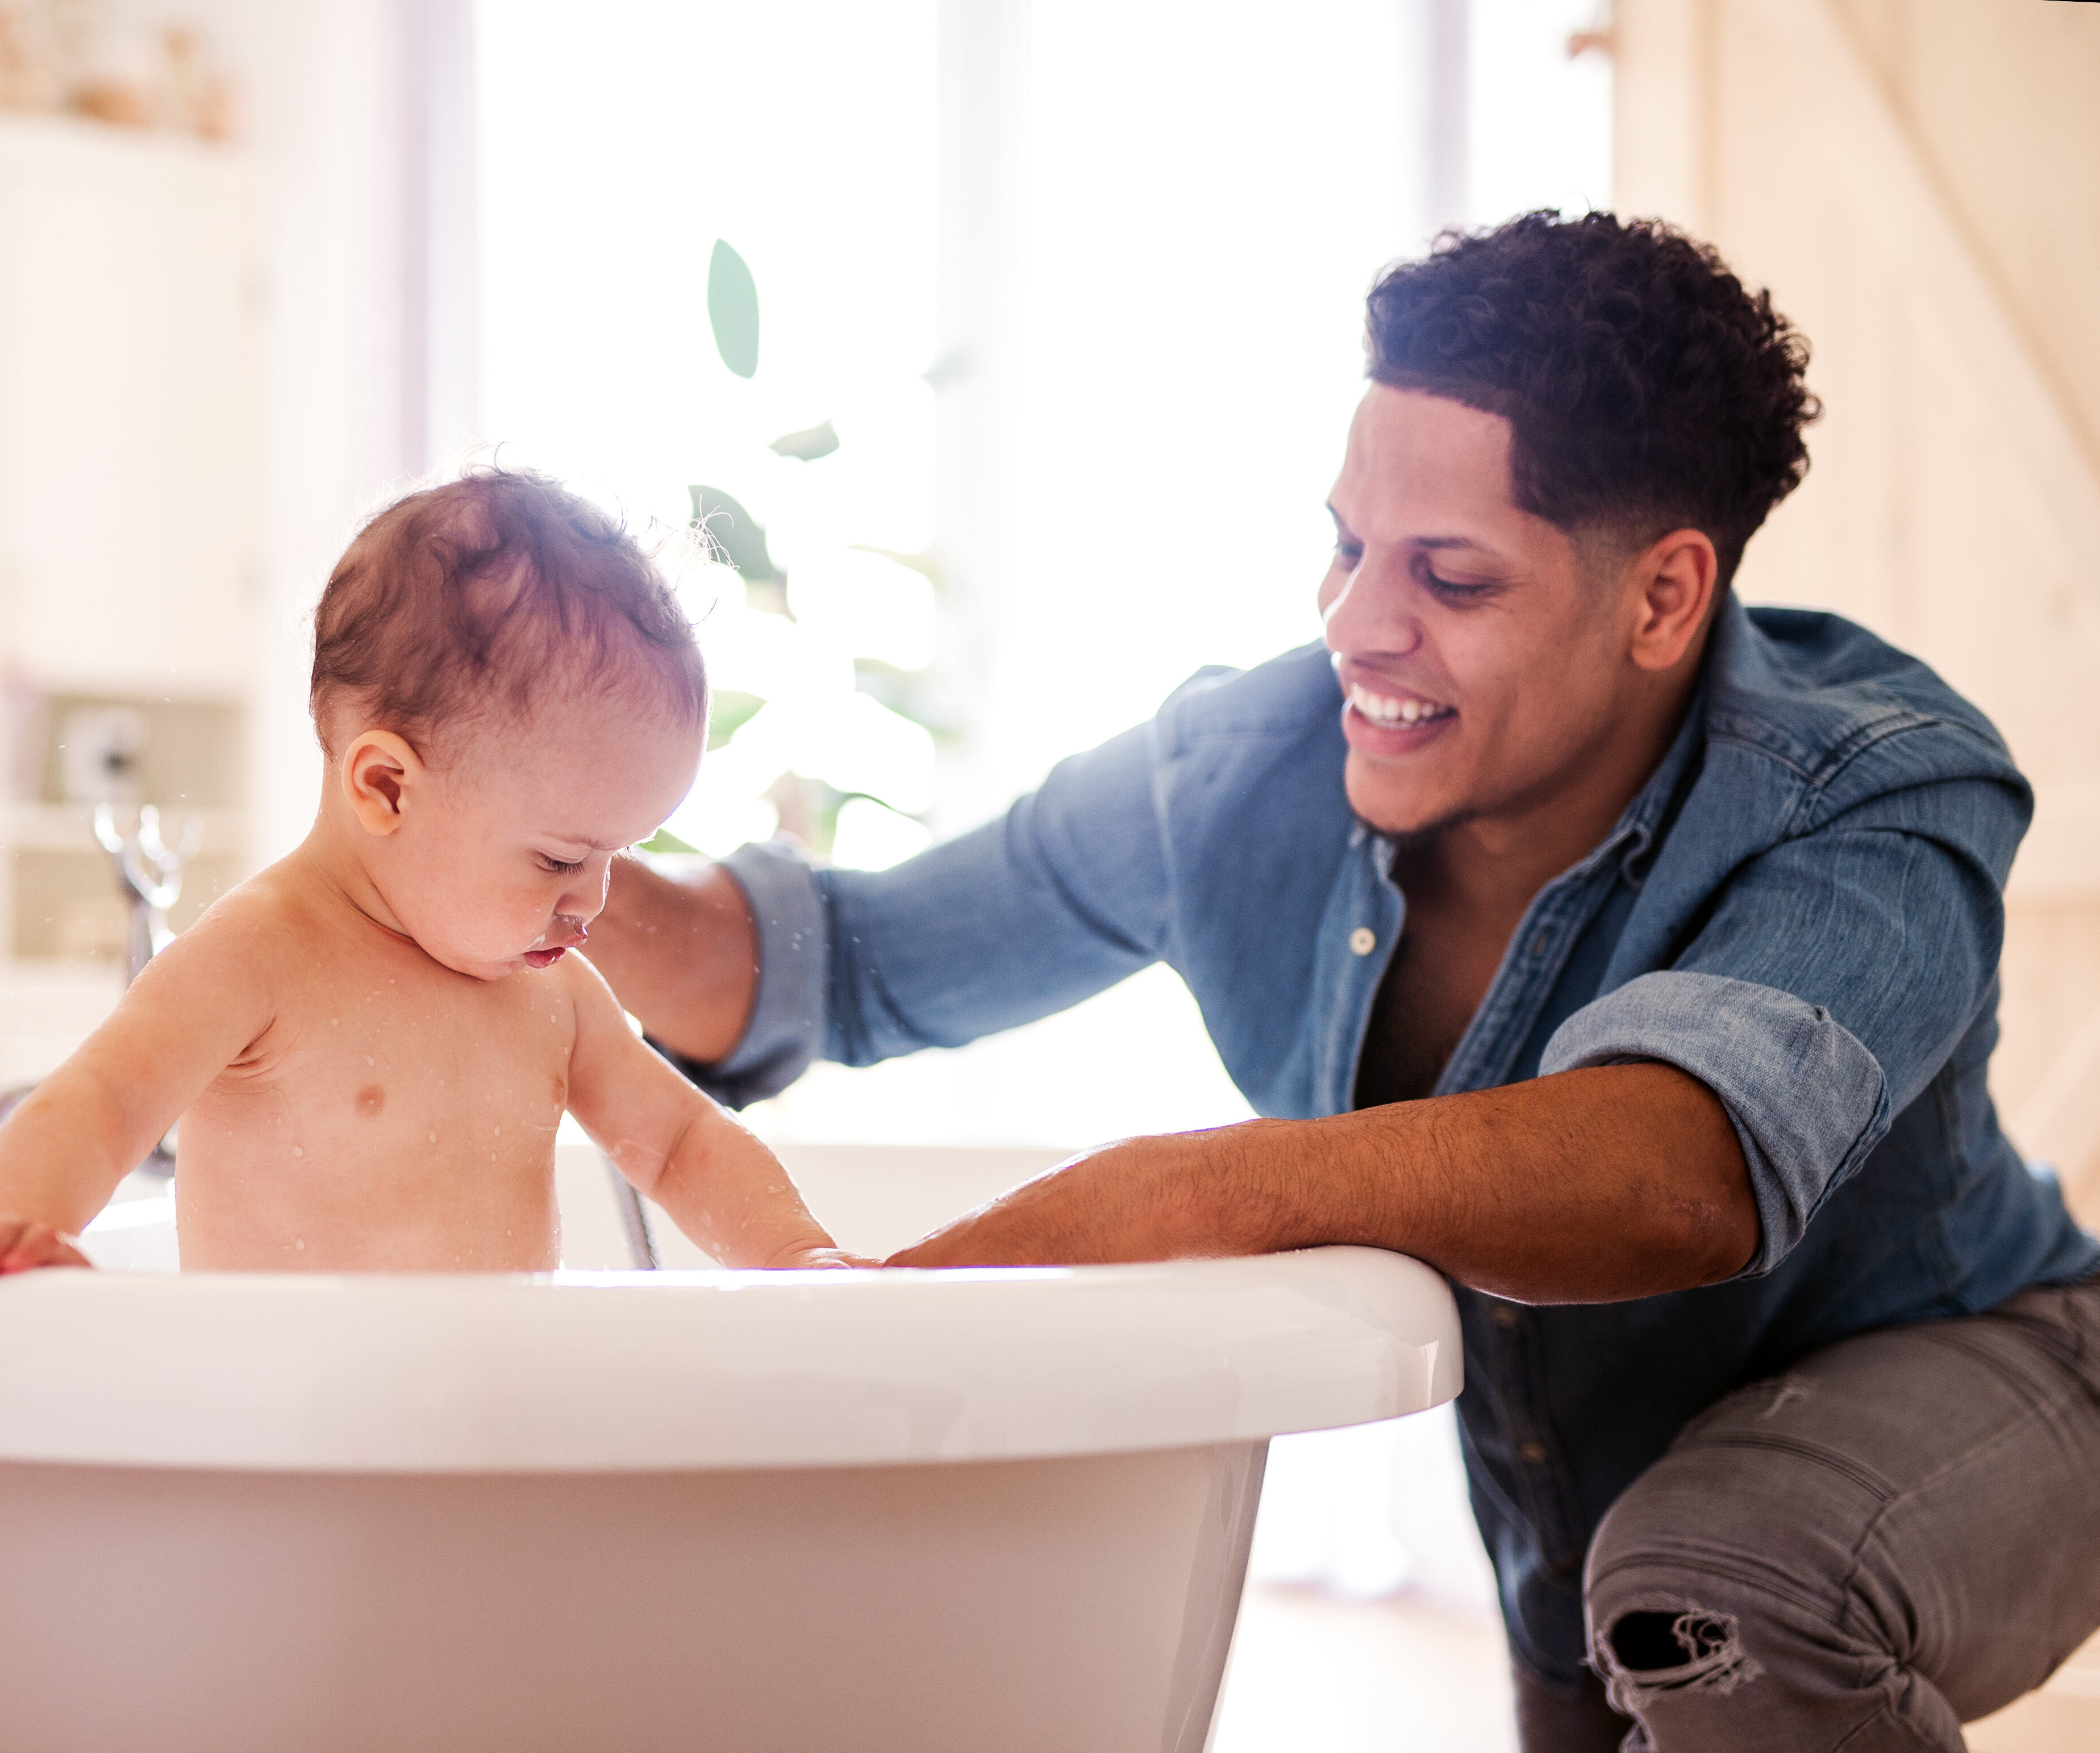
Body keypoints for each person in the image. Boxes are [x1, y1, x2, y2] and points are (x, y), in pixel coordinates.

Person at [586, 213, 2100, 1752]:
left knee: (1713, 1578)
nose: (1354, 623)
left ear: (1660, 598)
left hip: (1996, 1386)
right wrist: (518, 853)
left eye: (1449, 574)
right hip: (1582, 1557)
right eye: (1346, 542)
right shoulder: (1238, 767)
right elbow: (829, 961)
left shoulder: (1874, 786)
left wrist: (1169, 1195)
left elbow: (1674, 1174)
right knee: (1657, 1587)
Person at [0, 469, 857, 1279]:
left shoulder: (560, 997)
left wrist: (799, 1256)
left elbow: (685, 1143)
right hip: (287, 1442)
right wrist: (23, 1218)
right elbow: (103, 1100)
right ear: (388, 786)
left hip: (485, 1445)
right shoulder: (258, 954)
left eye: (620, 854)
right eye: (563, 857)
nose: (594, 899)